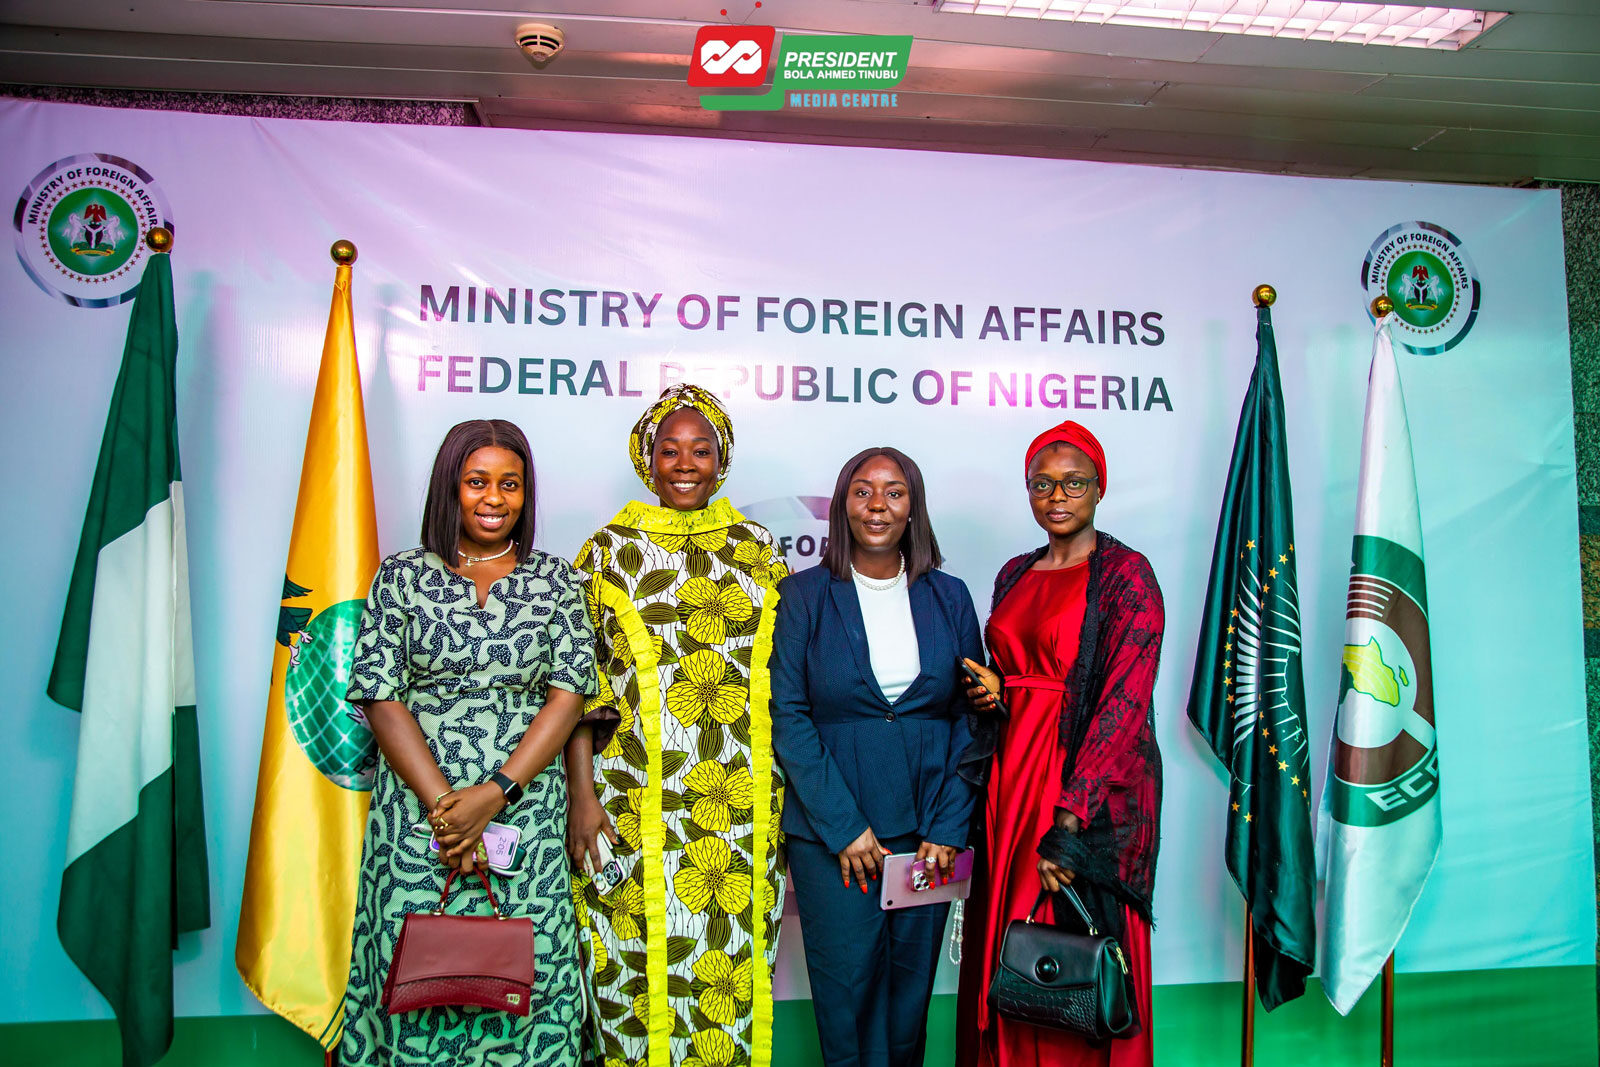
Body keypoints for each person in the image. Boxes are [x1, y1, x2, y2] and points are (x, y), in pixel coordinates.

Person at [340, 419, 597, 1067]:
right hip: (419, 822)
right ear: (448, 487)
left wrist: (494, 793)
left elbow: (569, 695)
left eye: (510, 484)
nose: (494, 498)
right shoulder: (401, 576)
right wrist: (448, 809)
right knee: (416, 980)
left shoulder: (557, 581)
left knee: (528, 985)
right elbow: (380, 695)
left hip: (525, 816)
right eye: (477, 481)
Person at [564, 384, 789, 1067]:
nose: (685, 464)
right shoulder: (607, 552)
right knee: (632, 971)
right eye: (670, 450)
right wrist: (581, 796)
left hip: (742, 810)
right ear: (647, 459)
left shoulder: (758, 549)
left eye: (701, 450)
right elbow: (577, 690)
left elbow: (789, 676)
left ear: (722, 460)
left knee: (729, 968)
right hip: (633, 804)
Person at [954, 419, 1165, 1067]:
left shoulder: (1127, 576)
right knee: (1009, 945)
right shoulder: (1014, 572)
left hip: (1075, 787)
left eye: (1074, 482)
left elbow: (1124, 704)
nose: (1057, 496)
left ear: (1100, 487)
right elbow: (1022, 674)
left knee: (1067, 946)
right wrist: (998, 690)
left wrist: (1071, 823)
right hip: (1008, 783)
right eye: (1041, 483)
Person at [770, 446, 983, 1067]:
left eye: (894, 492)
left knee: (909, 1001)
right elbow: (789, 716)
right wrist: (844, 827)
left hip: (928, 835)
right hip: (833, 838)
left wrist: (949, 825)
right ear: (843, 505)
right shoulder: (803, 596)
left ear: (914, 506)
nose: (878, 506)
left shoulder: (950, 597)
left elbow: (972, 715)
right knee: (848, 998)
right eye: (862, 491)